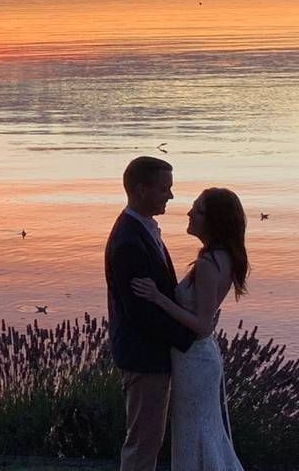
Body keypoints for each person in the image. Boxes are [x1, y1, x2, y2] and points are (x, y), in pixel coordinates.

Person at [132, 187, 249, 470]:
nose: (188, 212)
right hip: (194, 360)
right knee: (200, 431)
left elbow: (202, 326)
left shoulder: (210, 263)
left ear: (213, 220)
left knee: (195, 432)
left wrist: (158, 298)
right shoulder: (221, 257)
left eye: (196, 209)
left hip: (195, 359)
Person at [104, 156, 197, 471]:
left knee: (148, 440)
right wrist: (191, 337)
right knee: (143, 444)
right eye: (164, 189)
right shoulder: (129, 241)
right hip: (144, 357)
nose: (170, 196)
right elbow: (140, 314)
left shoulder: (142, 230)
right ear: (141, 190)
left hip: (150, 355)